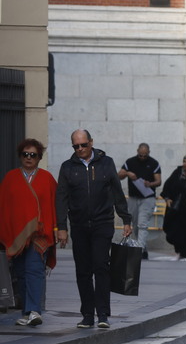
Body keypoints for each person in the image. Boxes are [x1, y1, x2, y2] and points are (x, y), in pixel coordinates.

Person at [55, 130, 132, 329]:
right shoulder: (67, 167)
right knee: (83, 271)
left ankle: (103, 314)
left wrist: (126, 219)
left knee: (101, 266)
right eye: (76, 146)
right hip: (79, 225)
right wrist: (62, 227)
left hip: (102, 222)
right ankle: (87, 314)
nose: (80, 149)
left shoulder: (106, 163)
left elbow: (117, 191)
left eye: (83, 145)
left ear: (91, 143)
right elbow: (61, 199)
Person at [0, 139, 58, 327]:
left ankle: (34, 310)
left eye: (33, 155)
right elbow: (4, 207)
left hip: (39, 236)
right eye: (25, 154)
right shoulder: (10, 178)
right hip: (16, 236)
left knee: (34, 269)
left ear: (39, 158)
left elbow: (54, 205)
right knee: (20, 273)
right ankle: (27, 311)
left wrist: (58, 229)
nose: (29, 158)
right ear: (20, 156)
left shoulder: (47, 178)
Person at [118, 143, 161, 258]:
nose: (142, 157)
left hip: (147, 198)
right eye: (140, 155)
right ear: (137, 151)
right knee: (135, 225)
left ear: (148, 153)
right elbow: (118, 175)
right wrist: (127, 173)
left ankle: (139, 251)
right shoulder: (130, 162)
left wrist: (150, 184)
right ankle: (143, 247)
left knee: (142, 224)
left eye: (145, 155)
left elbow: (159, 181)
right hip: (133, 198)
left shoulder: (153, 163)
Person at [161, 154, 186, 261]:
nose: (184, 164)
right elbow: (168, 185)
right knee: (173, 230)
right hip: (175, 208)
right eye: (184, 161)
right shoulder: (178, 172)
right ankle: (179, 251)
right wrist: (167, 198)